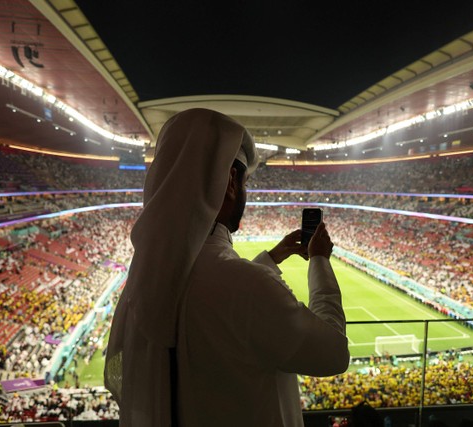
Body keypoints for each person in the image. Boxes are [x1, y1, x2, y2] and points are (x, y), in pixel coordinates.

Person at [105, 108, 350, 427]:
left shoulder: (146, 281)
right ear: (231, 181)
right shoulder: (245, 286)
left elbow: (206, 286)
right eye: (245, 180)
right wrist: (319, 261)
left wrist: (270, 259)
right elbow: (333, 352)